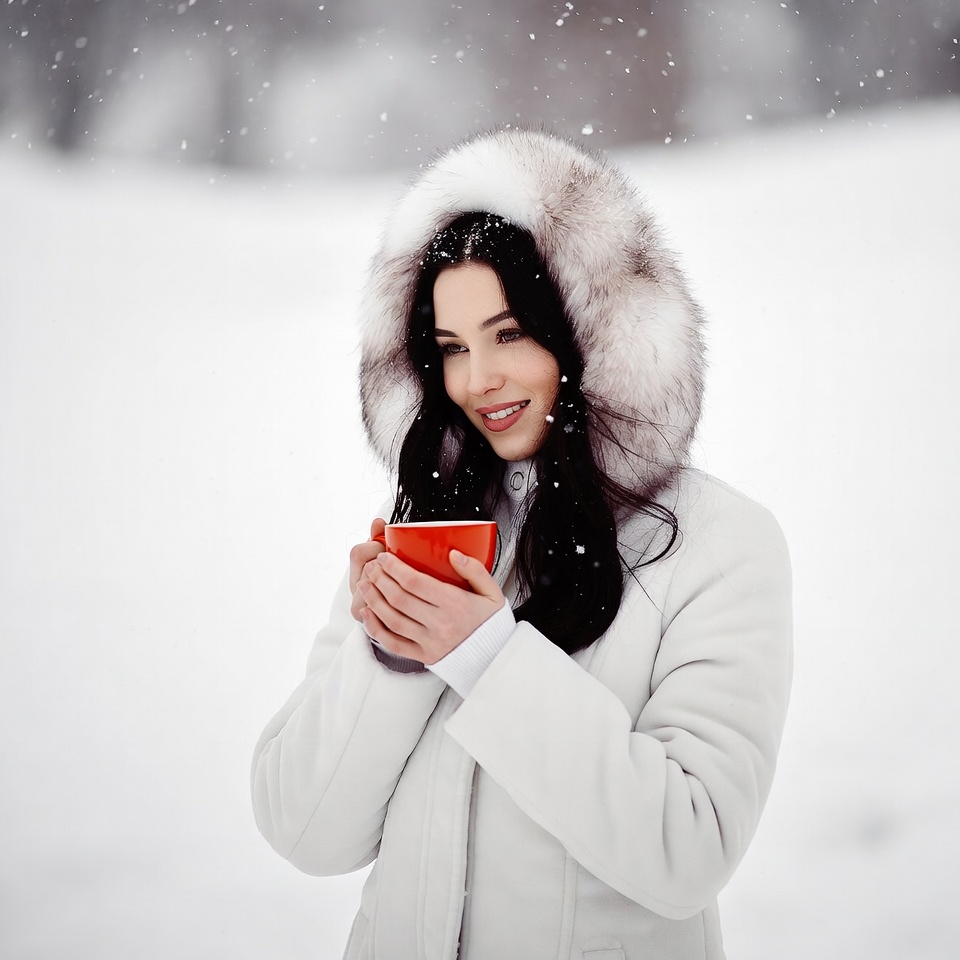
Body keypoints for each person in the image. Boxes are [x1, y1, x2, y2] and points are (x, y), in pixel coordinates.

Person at [251, 128, 793, 959]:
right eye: (452, 349)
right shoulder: (427, 534)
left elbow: (689, 850)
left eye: (509, 335)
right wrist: (391, 654)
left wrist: (486, 660)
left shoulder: (720, 546)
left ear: (589, 330)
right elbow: (304, 831)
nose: (478, 380)